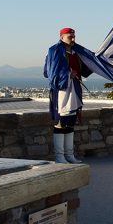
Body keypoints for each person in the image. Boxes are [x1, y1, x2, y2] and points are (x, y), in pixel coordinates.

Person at [43, 27, 92, 164]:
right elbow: (48, 72)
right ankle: (59, 156)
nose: (73, 39)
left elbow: (85, 68)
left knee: (70, 123)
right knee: (61, 122)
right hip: (62, 91)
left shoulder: (76, 52)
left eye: (74, 36)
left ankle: (69, 155)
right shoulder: (54, 51)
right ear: (62, 36)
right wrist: (67, 74)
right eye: (70, 36)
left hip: (74, 90)